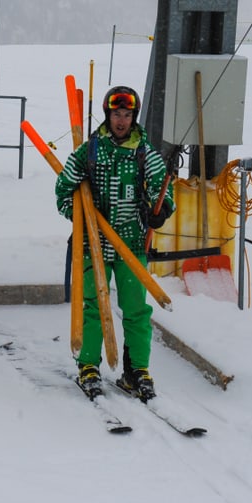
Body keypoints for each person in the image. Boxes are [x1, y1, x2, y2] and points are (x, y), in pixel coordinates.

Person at [54, 86, 175, 402]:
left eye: (127, 114)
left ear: (134, 117)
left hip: (131, 244)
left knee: (136, 310)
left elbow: (162, 191)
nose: (121, 121)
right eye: (116, 114)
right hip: (90, 244)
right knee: (94, 308)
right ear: (108, 115)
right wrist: (79, 216)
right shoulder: (90, 150)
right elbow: (64, 188)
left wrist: (160, 209)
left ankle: (137, 371)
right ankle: (88, 366)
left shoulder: (144, 153)